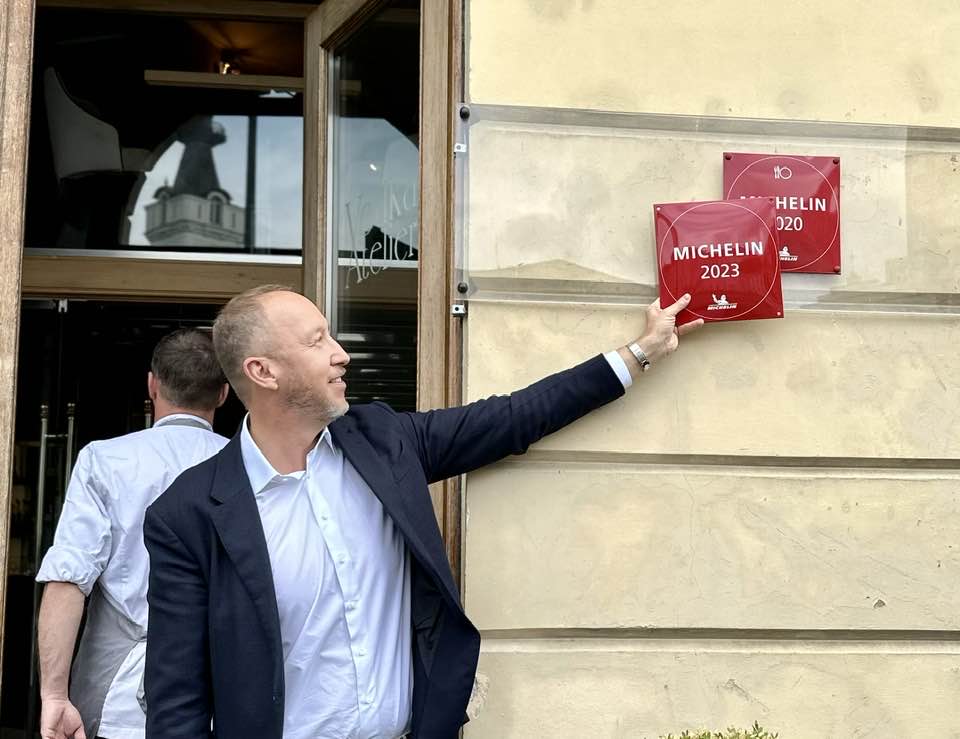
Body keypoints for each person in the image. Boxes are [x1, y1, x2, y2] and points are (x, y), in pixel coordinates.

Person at [143, 285, 703, 739]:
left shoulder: (384, 442)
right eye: (317, 341)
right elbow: (176, 702)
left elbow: (511, 418)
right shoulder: (188, 514)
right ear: (263, 372)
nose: (341, 353)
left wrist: (640, 352)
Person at [37, 329, 231, 739]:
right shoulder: (247, 467)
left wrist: (54, 695)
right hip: (220, 697)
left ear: (152, 385)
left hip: (118, 701)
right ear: (223, 394)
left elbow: (68, 580)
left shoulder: (105, 460)